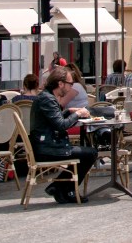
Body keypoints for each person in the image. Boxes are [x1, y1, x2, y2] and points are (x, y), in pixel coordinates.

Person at [30, 66, 97, 204]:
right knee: (90, 153)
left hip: (47, 145)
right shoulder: (47, 99)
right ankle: (65, 189)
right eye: (70, 83)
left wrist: (68, 112)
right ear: (60, 84)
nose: (71, 87)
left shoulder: (47, 96)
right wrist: (78, 114)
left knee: (86, 153)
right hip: (48, 149)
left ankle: (61, 188)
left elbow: (55, 120)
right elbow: (60, 125)